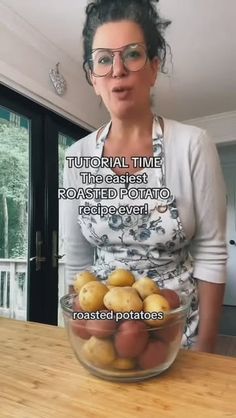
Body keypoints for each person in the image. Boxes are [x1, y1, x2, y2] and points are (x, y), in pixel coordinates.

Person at [62, 0, 228, 353]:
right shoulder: (77, 157)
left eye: (132, 54)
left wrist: (206, 351)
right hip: (103, 337)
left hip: (177, 338)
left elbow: (212, 252)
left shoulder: (192, 145)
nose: (117, 70)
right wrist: (82, 337)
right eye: (104, 59)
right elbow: (76, 259)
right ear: (93, 78)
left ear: (153, 68)